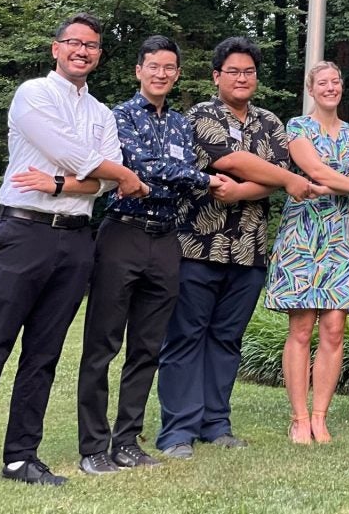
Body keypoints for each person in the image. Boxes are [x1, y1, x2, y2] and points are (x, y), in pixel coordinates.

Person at [0, 12, 148, 507]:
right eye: (74, 42)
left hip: (75, 240)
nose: (83, 50)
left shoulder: (101, 113)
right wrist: (102, 174)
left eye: (92, 45)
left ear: (98, 55)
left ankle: (20, 457)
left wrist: (62, 181)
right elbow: (85, 162)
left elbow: (104, 179)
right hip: (22, 233)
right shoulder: (32, 95)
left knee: (43, 355)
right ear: (56, 48)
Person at [157, 36, 313, 459]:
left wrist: (247, 190)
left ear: (256, 78)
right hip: (197, 245)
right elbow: (229, 160)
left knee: (226, 339)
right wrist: (271, 181)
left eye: (248, 72)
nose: (241, 78)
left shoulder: (270, 123)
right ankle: (177, 432)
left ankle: (216, 424)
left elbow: (279, 172)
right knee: (186, 337)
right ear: (216, 76)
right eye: (233, 72)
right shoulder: (200, 115)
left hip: (249, 250)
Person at [76, 35, 223, 474]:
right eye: (153, 66)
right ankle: (94, 446)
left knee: (147, 346)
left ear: (177, 75)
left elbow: (161, 173)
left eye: (169, 68)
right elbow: (139, 167)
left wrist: (178, 178)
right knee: (102, 343)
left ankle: (127, 441)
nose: (161, 74)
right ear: (138, 70)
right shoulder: (117, 115)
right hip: (122, 234)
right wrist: (200, 179)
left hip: (166, 240)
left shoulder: (181, 123)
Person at [264, 61, 349, 444]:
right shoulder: (297, 127)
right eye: (323, 83)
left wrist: (339, 185)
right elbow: (317, 171)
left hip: (339, 234)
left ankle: (320, 416)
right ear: (311, 89)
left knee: (334, 327)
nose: (331, 87)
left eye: (336, 82)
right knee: (301, 328)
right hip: (303, 233)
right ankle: (299, 418)